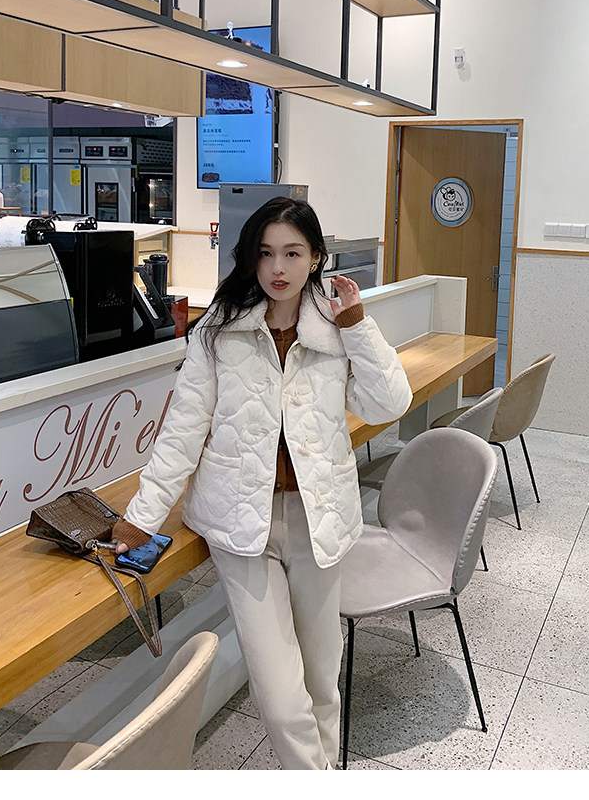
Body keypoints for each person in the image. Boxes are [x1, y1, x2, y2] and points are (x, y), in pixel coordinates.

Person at [112, 196, 412, 770]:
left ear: (316, 257)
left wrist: (357, 325)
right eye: (266, 252)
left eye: (292, 253)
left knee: (322, 680)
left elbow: (388, 404)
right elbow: (183, 430)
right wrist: (141, 518)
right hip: (240, 524)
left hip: (318, 519)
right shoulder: (218, 331)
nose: (278, 267)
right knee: (280, 698)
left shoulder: (337, 328)